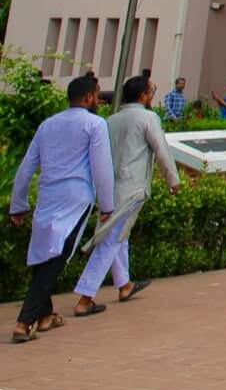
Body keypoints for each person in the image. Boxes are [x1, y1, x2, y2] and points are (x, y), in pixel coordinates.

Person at [10, 76, 115, 344]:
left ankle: (45, 316)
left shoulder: (48, 125)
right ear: (89, 98)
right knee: (54, 259)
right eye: (97, 95)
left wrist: (18, 203)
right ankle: (25, 321)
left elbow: (27, 166)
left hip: (48, 197)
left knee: (44, 255)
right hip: (75, 199)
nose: (99, 100)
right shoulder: (95, 124)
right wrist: (107, 204)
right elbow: (102, 167)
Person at [73, 76, 179, 317]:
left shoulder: (111, 120)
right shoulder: (147, 118)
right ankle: (85, 297)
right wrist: (173, 180)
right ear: (143, 96)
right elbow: (161, 149)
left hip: (109, 188)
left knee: (119, 235)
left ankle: (124, 284)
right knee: (111, 239)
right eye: (150, 91)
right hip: (131, 188)